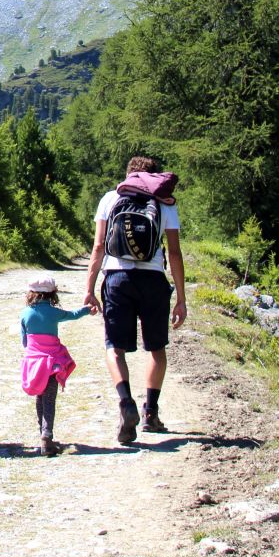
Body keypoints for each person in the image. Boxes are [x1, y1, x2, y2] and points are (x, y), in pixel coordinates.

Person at [84, 156, 185, 443]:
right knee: (156, 349)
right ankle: (151, 412)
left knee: (114, 348)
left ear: (128, 175)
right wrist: (181, 297)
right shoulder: (165, 203)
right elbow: (174, 253)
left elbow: (99, 246)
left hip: (117, 279)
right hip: (153, 280)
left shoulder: (110, 198)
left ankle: (126, 403)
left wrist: (89, 288)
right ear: (154, 177)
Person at [20, 276, 93, 456]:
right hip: (52, 364)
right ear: (52, 294)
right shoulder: (54, 312)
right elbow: (73, 315)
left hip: (34, 364)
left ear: (31, 294)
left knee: (40, 398)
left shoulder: (25, 313)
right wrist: (87, 310)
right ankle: (47, 436)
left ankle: (42, 434)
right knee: (49, 401)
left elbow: (24, 342)